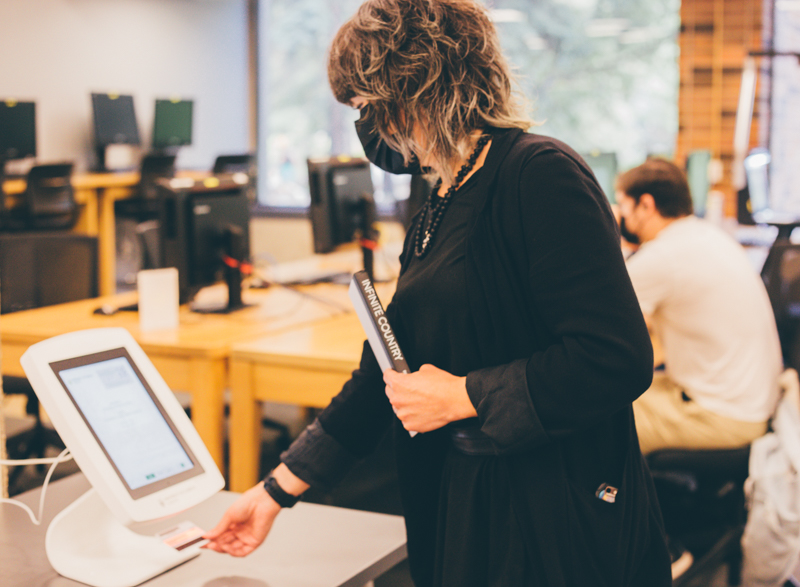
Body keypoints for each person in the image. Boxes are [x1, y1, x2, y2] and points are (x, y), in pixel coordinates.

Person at [205, 1, 671, 585]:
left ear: (412, 92)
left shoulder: (539, 175)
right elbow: (383, 377)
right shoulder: (439, 201)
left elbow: (615, 360)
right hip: (470, 502)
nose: (365, 128)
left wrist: (466, 395)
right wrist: (274, 492)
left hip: (553, 518)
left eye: (365, 107)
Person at [616, 158, 783, 456]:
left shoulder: (662, 256)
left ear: (645, 205)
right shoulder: (706, 236)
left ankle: (605, 501)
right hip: (750, 403)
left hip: (724, 415)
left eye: (622, 205)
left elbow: (605, 335)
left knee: (599, 418)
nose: (620, 217)